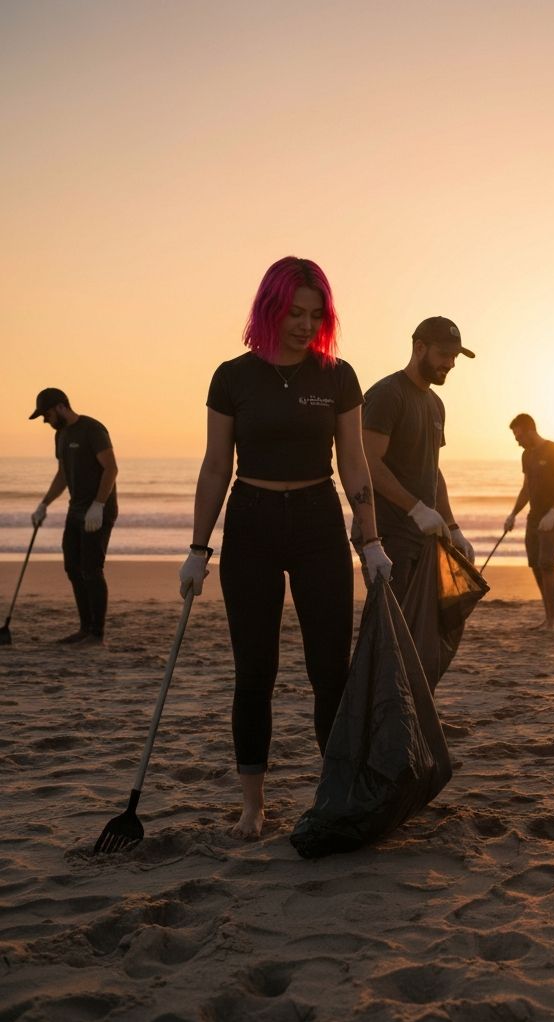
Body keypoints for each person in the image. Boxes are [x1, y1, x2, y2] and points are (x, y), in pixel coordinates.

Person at [179, 257, 391, 840]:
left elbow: (354, 461)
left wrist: (369, 539)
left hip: (318, 522)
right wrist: (198, 547)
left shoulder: (337, 376)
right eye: (293, 312)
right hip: (250, 523)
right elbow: (216, 464)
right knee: (255, 672)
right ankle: (254, 804)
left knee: (331, 670)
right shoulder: (232, 377)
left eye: (315, 314)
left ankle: (335, 791)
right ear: (269, 309)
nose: (304, 324)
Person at [360, 316, 475, 601]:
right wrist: (417, 509)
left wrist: (452, 526)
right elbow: (368, 464)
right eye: (444, 354)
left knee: (417, 628)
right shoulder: (388, 394)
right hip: (387, 532)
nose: (450, 363)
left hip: (421, 536)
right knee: (390, 626)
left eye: (455, 356)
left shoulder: (435, 404)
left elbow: (432, 470)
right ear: (420, 347)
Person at [30, 388, 118, 645]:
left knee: (92, 569)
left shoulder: (92, 429)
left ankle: (96, 634)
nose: (45, 420)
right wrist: (44, 504)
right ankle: (85, 628)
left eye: (46, 414)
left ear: (59, 407)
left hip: (98, 511)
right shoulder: (61, 434)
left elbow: (111, 468)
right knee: (73, 567)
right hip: (76, 509)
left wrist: (99, 505)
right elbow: (63, 475)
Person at [503, 414, 554, 629]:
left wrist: (553, 513)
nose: (516, 440)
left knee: (546, 564)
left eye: (518, 434)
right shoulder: (526, 455)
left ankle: (552, 622)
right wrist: (513, 514)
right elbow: (526, 488)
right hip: (534, 516)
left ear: (528, 430)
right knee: (535, 564)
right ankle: (547, 617)